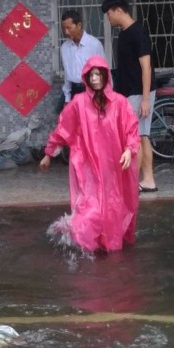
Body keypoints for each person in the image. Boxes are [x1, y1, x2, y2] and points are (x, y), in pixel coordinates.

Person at [39, 55, 140, 253]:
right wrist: (49, 153)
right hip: (88, 167)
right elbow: (63, 129)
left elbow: (132, 129)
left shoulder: (119, 103)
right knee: (90, 208)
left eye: (98, 74)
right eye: (90, 75)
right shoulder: (78, 103)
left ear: (105, 76)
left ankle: (107, 245)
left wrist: (129, 150)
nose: (94, 79)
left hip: (114, 168)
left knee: (113, 208)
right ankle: (84, 243)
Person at [101, 0, 158, 194]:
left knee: (137, 136)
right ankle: (147, 180)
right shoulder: (124, 33)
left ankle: (134, 182)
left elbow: (146, 67)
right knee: (141, 136)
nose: (108, 18)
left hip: (138, 92)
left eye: (108, 13)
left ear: (118, 10)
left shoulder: (137, 33)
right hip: (129, 93)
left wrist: (144, 99)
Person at [59, 8, 104, 107]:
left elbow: (104, 72)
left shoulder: (94, 44)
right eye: (64, 28)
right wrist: (67, 98)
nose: (66, 32)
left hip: (92, 90)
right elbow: (67, 74)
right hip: (75, 91)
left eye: (69, 27)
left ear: (79, 25)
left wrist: (102, 95)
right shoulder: (64, 48)